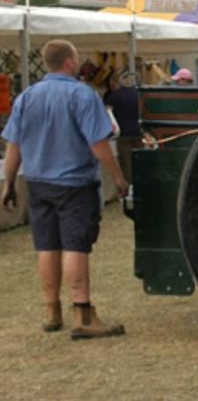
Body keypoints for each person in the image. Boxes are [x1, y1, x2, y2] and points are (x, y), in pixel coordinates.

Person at [1, 40, 129, 340]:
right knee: (75, 247)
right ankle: (83, 313)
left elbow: (13, 146)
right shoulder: (82, 95)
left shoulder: (26, 97)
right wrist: (119, 178)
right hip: (74, 184)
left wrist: (8, 184)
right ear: (70, 62)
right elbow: (99, 144)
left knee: (46, 247)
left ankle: (51, 311)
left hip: (38, 182)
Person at [104, 72, 142, 183]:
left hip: (122, 135)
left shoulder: (114, 97)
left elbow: (107, 114)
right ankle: (140, 184)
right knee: (139, 162)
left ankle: (129, 188)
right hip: (139, 133)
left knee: (126, 164)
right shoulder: (139, 95)